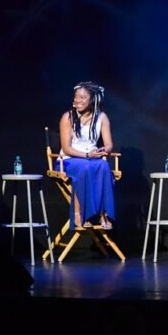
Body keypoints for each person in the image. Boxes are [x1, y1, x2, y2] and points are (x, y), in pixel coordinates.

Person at [59, 81, 115, 230]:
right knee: (85, 167)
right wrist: (87, 154)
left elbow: (109, 144)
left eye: (83, 97)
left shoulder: (101, 118)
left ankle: (104, 213)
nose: (78, 100)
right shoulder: (68, 117)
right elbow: (66, 148)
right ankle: (80, 214)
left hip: (92, 158)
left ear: (92, 100)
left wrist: (103, 150)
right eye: (77, 97)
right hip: (69, 160)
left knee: (103, 165)